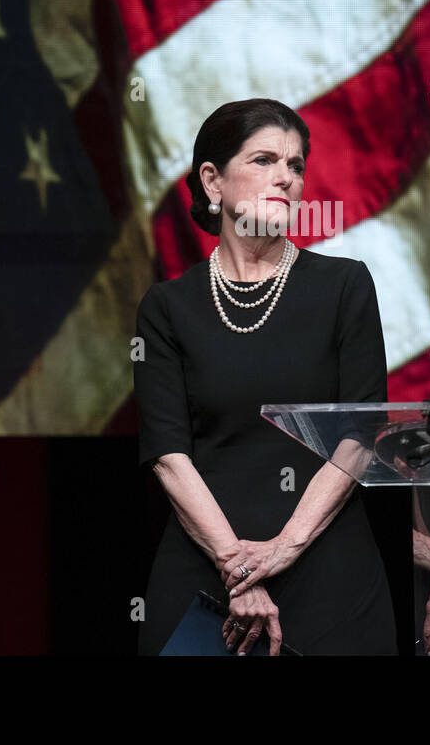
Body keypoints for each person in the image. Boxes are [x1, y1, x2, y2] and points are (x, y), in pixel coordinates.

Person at [135, 98, 397, 656]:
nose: (286, 177)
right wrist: (236, 565)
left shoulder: (344, 287)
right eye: (264, 160)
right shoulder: (166, 307)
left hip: (327, 567)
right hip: (205, 567)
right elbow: (167, 453)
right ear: (213, 180)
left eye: (296, 165)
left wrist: (282, 549)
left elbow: (358, 434)